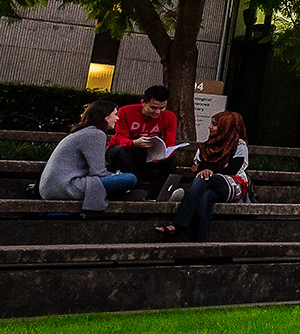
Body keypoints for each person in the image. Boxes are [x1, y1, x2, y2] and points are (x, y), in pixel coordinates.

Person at [153, 112, 250, 241]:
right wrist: (204, 170)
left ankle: (177, 224)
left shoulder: (238, 145)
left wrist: (208, 170)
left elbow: (232, 169)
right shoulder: (205, 147)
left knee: (204, 177)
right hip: (208, 184)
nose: (210, 127)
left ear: (226, 127)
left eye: (215, 125)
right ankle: (200, 242)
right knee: (205, 196)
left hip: (233, 184)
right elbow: (195, 167)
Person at [40, 100, 139, 212]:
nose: (117, 118)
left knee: (120, 179)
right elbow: (98, 172)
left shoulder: (83, 132)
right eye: (115, 115)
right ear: (106, 117)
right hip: (67, 187)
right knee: (129, 178)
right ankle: (122, 195)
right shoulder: (96, 134)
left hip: (52, 188)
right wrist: (115, 175)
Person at [106, 85, 178, 197]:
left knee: (171, 159)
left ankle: (162, 195)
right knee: (123, 152)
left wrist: (163, 155)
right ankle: (135, 191)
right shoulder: (126, 111)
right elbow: (121, 138)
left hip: (147, 153)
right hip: (122, 149)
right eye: (153, 108)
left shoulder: (169, 117)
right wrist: (133, 143)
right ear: (143, 103)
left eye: (162, 108)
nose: (157, 112)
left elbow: (170, 142)